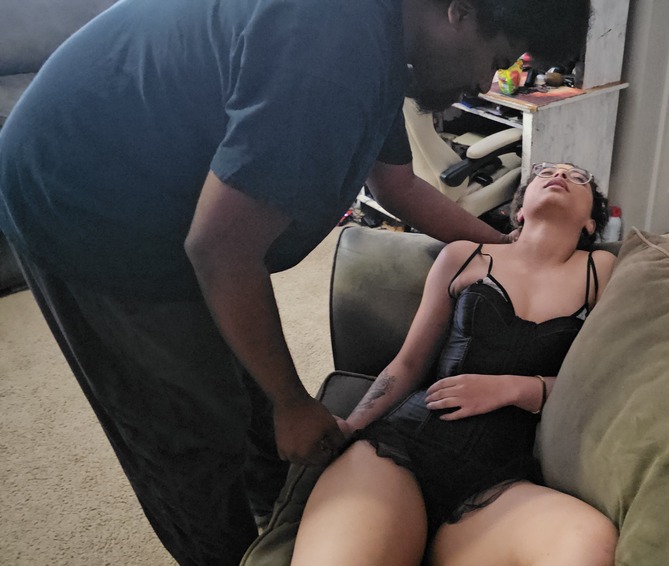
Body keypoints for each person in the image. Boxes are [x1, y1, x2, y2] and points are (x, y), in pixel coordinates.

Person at [0, 0, 591, 563]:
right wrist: (291, 402)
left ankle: (276, 514)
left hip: (171, 200)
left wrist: (512, 252)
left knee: (247, 392)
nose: (485, 84)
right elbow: (221, 250)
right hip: (83, 201)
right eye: (496, 60)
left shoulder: (384, 43)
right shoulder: (331, 48)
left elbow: (397, 186)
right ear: (459, 11)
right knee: (189, 435)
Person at [292, 162, 619, 565]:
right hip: (403, 449)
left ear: (590, 222)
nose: (559, 175)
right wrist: (353, 426)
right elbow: (408, 363)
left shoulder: (600, 271)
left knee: (590, 542)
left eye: (577, 177)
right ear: (519, 211)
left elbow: (601, 383)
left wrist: (516, 388)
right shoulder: (465, 256)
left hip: (498, 485)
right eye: (545, 171)